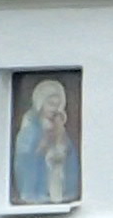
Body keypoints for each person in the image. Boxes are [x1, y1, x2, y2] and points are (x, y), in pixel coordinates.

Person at [12, 72, 80, 206]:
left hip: (57, 178)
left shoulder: (60, 127)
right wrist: (46, 140)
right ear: (41, 103)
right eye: (51, 104)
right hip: (38, 182)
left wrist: (61, 139)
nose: (54, 109)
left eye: (57, 104)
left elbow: (69, 156)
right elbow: (25, 157)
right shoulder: (30, 127)